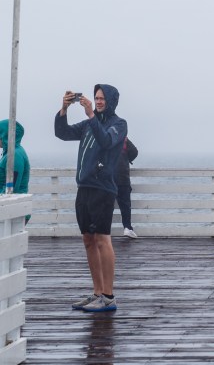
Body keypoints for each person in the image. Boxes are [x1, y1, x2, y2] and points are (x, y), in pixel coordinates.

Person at [55, 85, 127, 313]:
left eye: (102, 98)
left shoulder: (119, 125)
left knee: (102, 239)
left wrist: (91, 115)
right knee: (88, 239)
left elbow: (106, 141)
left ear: (112, 100)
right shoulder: (88, 124)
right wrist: (64, 108)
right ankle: (97, 292)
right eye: (96, 98)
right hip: (84, 187)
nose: (98, 101)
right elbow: (62, 133)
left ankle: (108, 296)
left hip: (103, 188)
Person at [0, 120, 30, 222]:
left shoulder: (14, 155)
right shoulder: (10, 152)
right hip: (11, 208)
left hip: (14, 211)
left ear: (5, 136)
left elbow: (11, 187)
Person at [116, 138, 139, 238]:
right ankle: (127, 228)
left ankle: (104, 231)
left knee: (106, 206)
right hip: (122, 176)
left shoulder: (103, 135)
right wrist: (127, 158)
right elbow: (134, 151)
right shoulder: (123, 138)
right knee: (125, 205)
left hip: (107, 178)